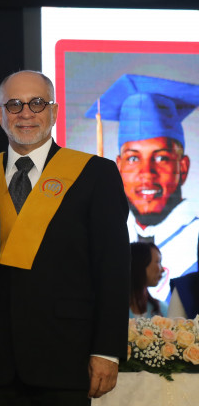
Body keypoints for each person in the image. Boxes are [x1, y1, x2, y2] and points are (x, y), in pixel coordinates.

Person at [0, 70, 130, 405]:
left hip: (66, 355)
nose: (26, 113)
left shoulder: (95, 175)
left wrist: (107, 350)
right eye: (14, 105)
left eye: (37, 103)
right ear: (0, 114)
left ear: (54, 111)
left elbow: (113, 269)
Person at [85, 74, 199, 300]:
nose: (147, 173)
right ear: (118, 168)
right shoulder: (104, 236)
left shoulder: (194, 239)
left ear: (183, 167)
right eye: (133, 159)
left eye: (161, 158)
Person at [129, 242, 167, 317]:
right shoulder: (112, 309)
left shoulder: (162, 310)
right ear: (140, 264)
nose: (163, 270)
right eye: (158, 262)